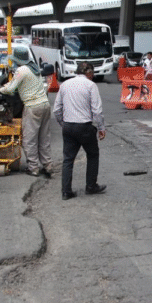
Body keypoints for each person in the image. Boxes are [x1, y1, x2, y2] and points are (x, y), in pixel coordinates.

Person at [53, 62, 106, 200]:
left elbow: (57, 109)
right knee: (93, 154)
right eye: (93, 73)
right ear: (89, 73)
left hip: (68, 126)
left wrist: (63, 124)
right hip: (84, 127)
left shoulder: (65, 84)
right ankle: (91, 186)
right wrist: (101, 128)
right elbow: (97, 110)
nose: (93, 76)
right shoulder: (91, 86)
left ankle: (66, 191)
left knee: (68, 159)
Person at [0, 50, 53, 178]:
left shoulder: (21, 70)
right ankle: (48, 165)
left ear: (17, 60)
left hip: (32, 107)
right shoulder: (33, 68)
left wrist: (0, 89)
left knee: (29, 139)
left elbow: (10, 89)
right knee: (44, 138)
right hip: (45, 105)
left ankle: (33, 168)